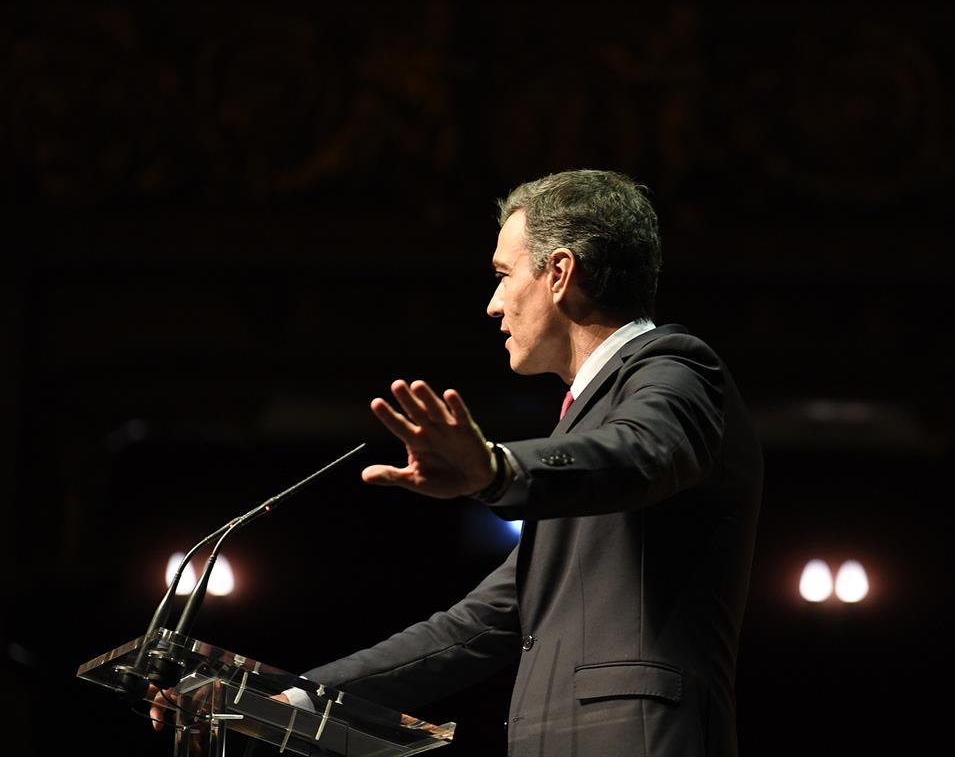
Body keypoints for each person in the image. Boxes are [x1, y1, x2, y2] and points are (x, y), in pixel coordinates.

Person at [164, 170, 763, 755]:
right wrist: (282, 697)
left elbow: (640, 453)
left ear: (559, 273)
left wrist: (497, 471)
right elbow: (475, 626)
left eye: (503, 276)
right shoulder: (584, 423)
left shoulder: (676, 370)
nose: (493, 305)